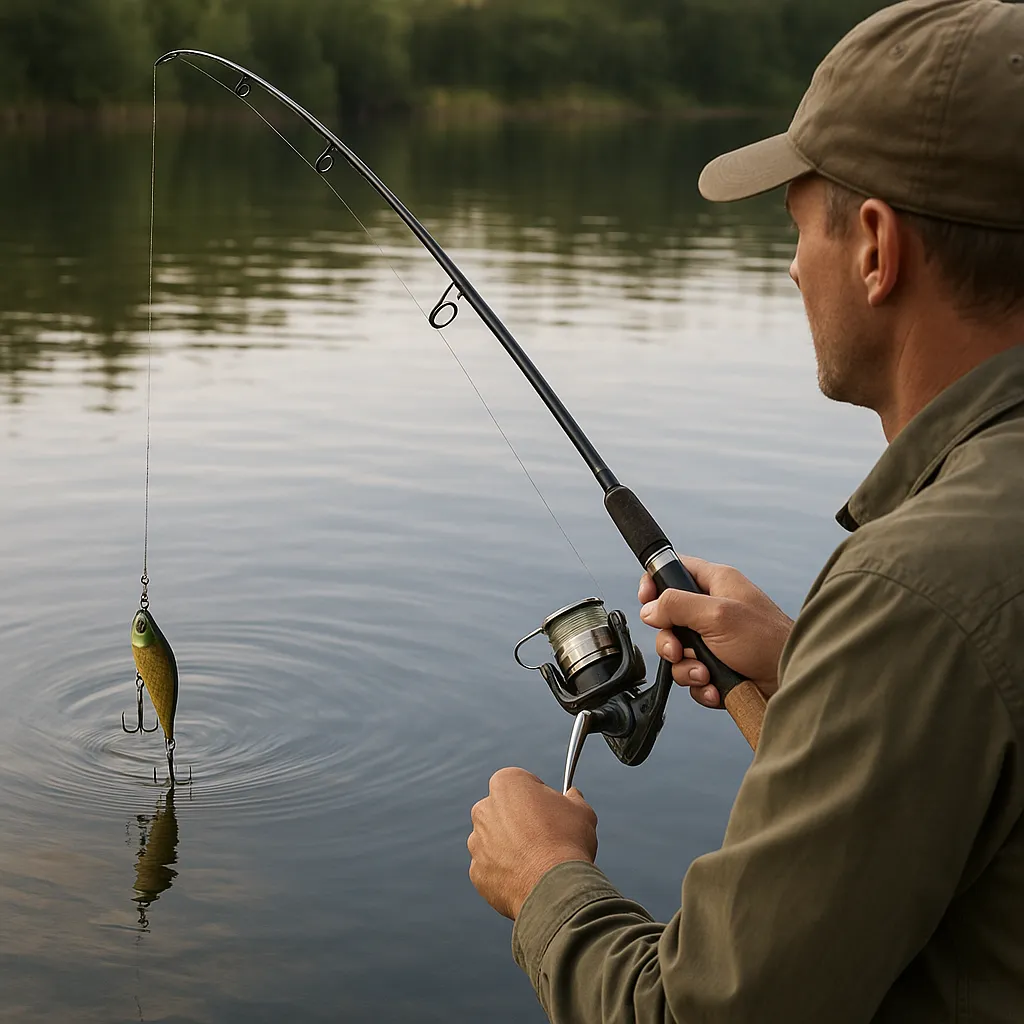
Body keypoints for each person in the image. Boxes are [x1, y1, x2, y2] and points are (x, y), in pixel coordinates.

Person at [466, 1, 1024, 1020]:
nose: (790, 266)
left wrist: (543, 878)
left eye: (796, 227)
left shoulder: (917, 590)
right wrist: (807, 666)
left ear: (872, 246)